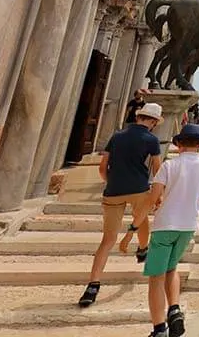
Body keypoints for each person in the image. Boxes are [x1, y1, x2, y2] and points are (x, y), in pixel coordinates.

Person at [78, 102, 163, 307]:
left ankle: (92, 286)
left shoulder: (117, 136)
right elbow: (158, 169)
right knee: (141, 220)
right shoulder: (151, 139)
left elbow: (102, 166)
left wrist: (111, 181)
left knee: (107, 240)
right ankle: (143, 249)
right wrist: (157, 195)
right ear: (152, 122)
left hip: (113, 190)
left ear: (138, 117)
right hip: (139, 188)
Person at [143, 122, 199, 337]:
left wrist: (137, 222)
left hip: (165, 225)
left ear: (179, 144)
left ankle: (159, 328)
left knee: (156, 277)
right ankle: (174, 309)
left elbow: (154, 197)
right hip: (188, 225)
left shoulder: (169, 166)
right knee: (172, 269)